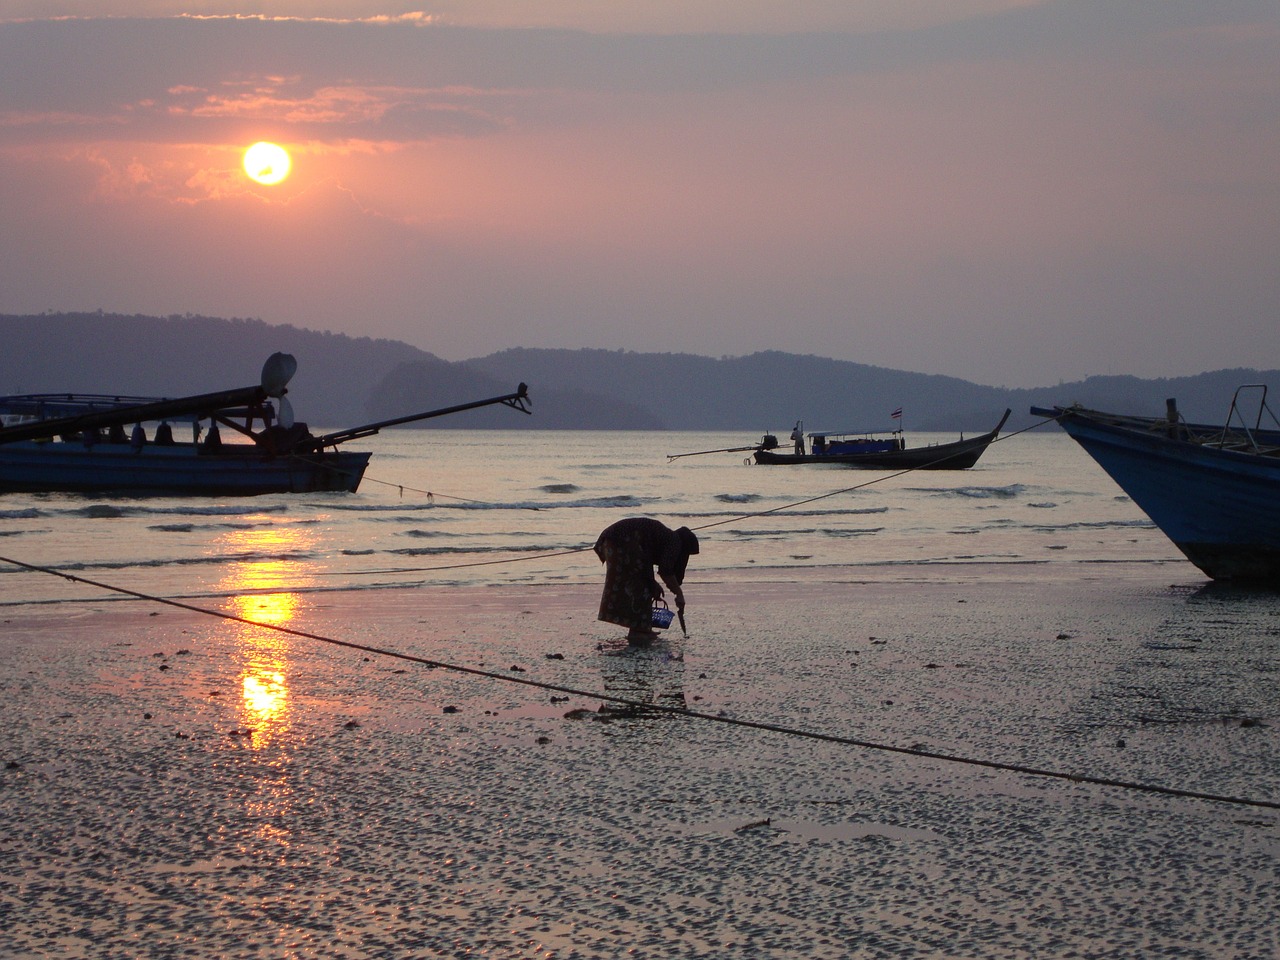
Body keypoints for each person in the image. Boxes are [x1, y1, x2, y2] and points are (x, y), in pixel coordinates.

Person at [594, 517, 699, 643]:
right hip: (621, 540)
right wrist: (679, 593)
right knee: (640, 585)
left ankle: (639, 628)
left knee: (640, 583)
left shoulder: (666, 537)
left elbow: (645, 564)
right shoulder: (674, 541)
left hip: (613, 539)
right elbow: (665, 571)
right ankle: (638, 631)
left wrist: (653, 583)